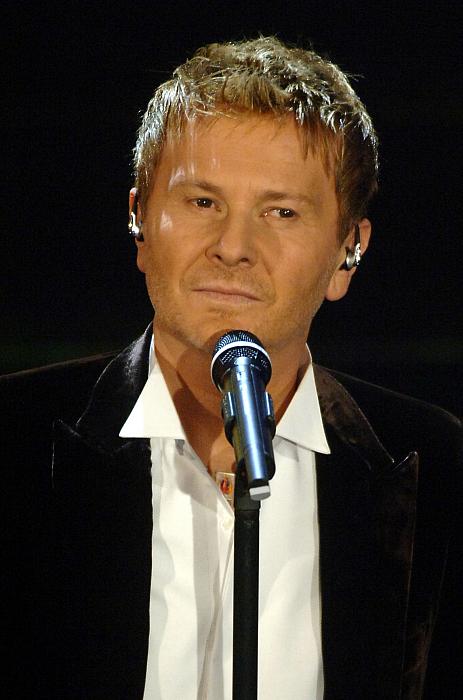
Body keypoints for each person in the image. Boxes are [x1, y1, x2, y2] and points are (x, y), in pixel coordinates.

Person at [2, 37, 461, 699]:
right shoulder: (16, 439)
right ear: (138, 220)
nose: (234, 247)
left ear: (347, 251)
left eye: (281, 212)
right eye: (202, 203)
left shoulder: (437, 467)